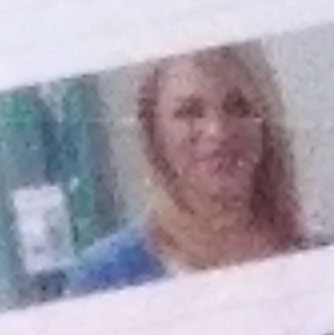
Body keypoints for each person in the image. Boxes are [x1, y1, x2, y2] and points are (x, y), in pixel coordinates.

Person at [61, 43, 309, 294]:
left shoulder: (321, 256)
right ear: (154, 133)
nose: (218, 131)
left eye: (238, 107)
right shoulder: (105, 277)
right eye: (190, 112)